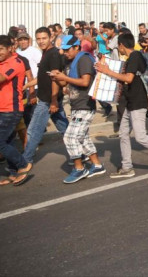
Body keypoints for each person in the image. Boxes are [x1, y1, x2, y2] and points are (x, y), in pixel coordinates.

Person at [95, 33, 148, 178]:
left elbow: (128, 78)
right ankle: (127, 167)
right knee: (123, 134)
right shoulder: (132, 58)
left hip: (137, 102)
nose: (118, 48)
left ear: (121, 45)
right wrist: (108, 70)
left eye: (118, 46)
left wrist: (107, 71)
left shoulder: (135, 57)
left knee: (140, 137)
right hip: (130, 102)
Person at [50, 35, 106, 183]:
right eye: (64, 50)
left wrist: (64, 78)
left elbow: (85, 81)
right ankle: (97, 165)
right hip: (76, 105)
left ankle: (79, 168)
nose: (65, 53)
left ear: (77, 47)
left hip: (85, 105)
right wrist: (58, 79)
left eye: (68, 49)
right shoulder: (69, 61)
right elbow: (68, 83)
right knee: (83, 137)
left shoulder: (84, 59)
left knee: (70, 137)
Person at [0, 35, 33, 186]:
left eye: (0, 49)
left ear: (10, 48)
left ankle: (23, 164)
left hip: (11, 109)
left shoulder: (16, 62)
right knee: (7, 141)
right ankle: (14, 173)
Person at [22, 27, 69, 166]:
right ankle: (81, 153)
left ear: (50, 38)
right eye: (39, 39)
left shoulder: (53, 54)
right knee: (66, 130)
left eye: (44, 38)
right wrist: (26, 85)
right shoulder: (46, 53)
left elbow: (55, 78)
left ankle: (25, 161)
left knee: (33, 131)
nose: (41, 41)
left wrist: (53, 101)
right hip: (49, 99)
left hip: (48, 100)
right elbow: (43, 76)